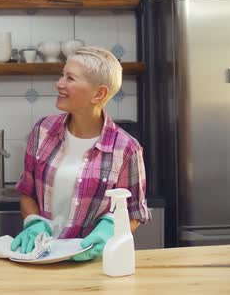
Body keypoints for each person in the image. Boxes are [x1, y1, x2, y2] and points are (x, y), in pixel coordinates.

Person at [12, 46, 151, 260]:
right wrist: (33, 222)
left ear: (99, 93)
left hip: (93, 264)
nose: (59, 83)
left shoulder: (126, 149)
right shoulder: (42, 132)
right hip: (39, 258)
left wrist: (109, 230)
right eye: (62, 75)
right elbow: (27, 193)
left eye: (70, 78)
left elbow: (134, 214)